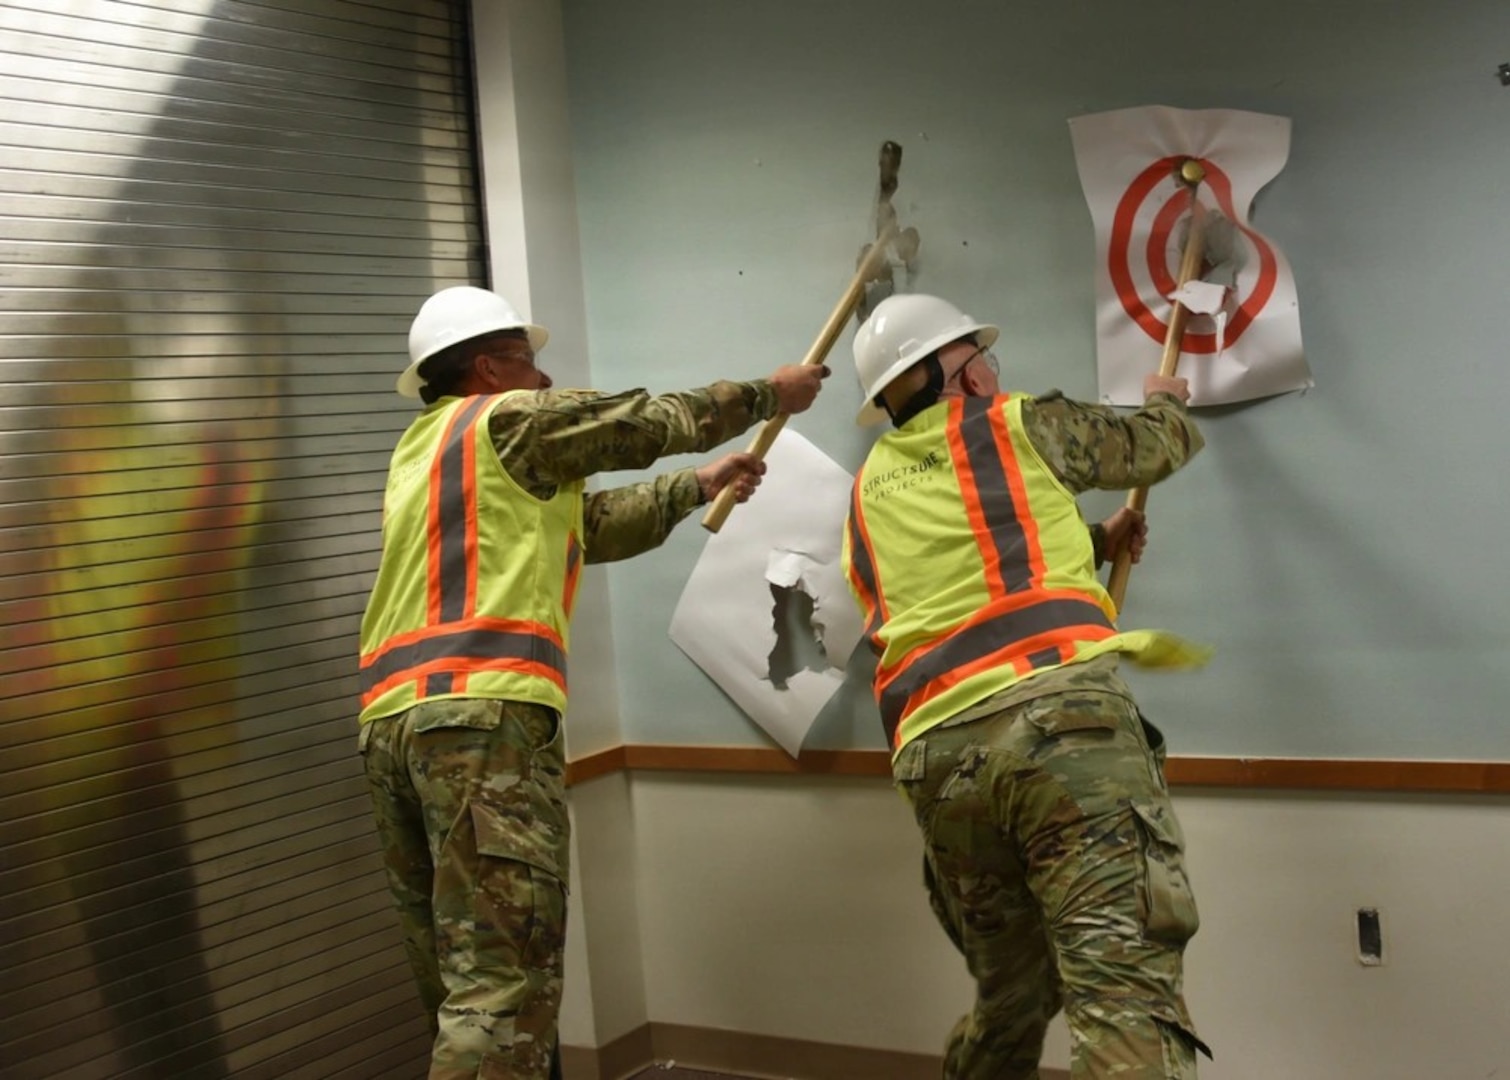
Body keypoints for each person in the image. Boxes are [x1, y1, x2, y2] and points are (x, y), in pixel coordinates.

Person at [357, 285, 828, 1079]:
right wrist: (767, 395)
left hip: (395, 728)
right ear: (487, 367)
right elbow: (642, 421)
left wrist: (697, 486)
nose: (544, 379)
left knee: (459, 981)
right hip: (483, 723)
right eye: (528, 362)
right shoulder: (509, 418)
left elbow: (586, 530)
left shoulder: (426, 450)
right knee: (504, 990)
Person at [840, 293, 1211, 1079]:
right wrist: (1166, 401)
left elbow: (958, 570)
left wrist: (1092, 538)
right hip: (1059, 734)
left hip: (938, 765)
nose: (991, 373)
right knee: (1122, 992)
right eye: (982, 360)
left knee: (1016, 991)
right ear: (958, 376)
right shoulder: (1015, 422)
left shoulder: (867, 492)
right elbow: (1153, 447)